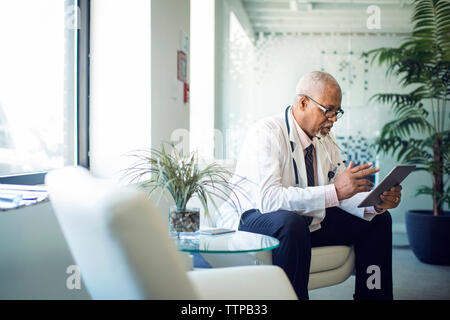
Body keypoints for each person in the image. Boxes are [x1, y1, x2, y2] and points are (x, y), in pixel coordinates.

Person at [216, 71, 402, 300]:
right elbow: (269, 200)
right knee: (291, 222)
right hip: (251, 218)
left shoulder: (325, 139)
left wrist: (376, 204)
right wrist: (334, 191)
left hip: (303, 223)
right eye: (329, 110)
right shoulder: (266, 133)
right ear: (303, 102)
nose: (333, 118)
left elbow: (341, 193)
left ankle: (374, 297)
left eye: (337, 112)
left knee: (378, 220)